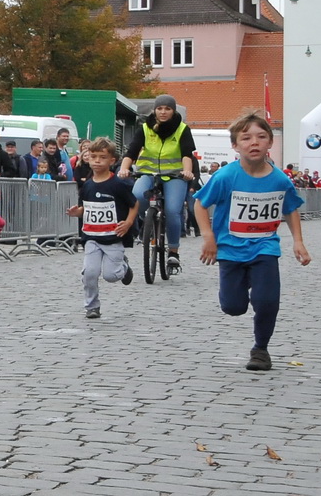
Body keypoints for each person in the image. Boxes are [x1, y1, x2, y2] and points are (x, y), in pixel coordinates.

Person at [193, 113, 310, 372]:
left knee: (268, 301)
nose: (254, 142)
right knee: (233, 307)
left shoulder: (280, 179)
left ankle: (261, 349)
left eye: (261, 137)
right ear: (235, 146)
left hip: (264, 248)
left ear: (270, 143)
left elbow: (290, 209)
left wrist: (298, 241)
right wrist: (208, 237)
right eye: (246, 138)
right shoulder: (225, 176)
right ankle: (241, 287)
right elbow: (200, 204)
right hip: (231, 250)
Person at [119, 95, 196, 275]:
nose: (163, 112)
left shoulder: (182, 129)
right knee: (137, 195)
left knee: (172, 210)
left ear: (173, 111)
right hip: (148, 173)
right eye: (159, 108)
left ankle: (173, 252)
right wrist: (124, 169)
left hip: (174, 176)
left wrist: (187, 171)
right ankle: (146, 222)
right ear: (154, 110)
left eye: (167, 109)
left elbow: (187, 154)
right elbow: (131, 151)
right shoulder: (145, 128)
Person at [66, 138, 138, 319]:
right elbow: (86, 207)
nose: (97, 161)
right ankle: (92, 306)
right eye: (93, 157)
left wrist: (128, 223)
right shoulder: (87, 185)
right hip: (92, 237)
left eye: (102, 157)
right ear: (87, 158)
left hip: (113, 237)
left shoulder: (119, 184)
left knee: (111, 276)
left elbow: (134, 204)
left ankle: (124, 266)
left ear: (112, 161)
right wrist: (77, 212)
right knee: (90, 273)